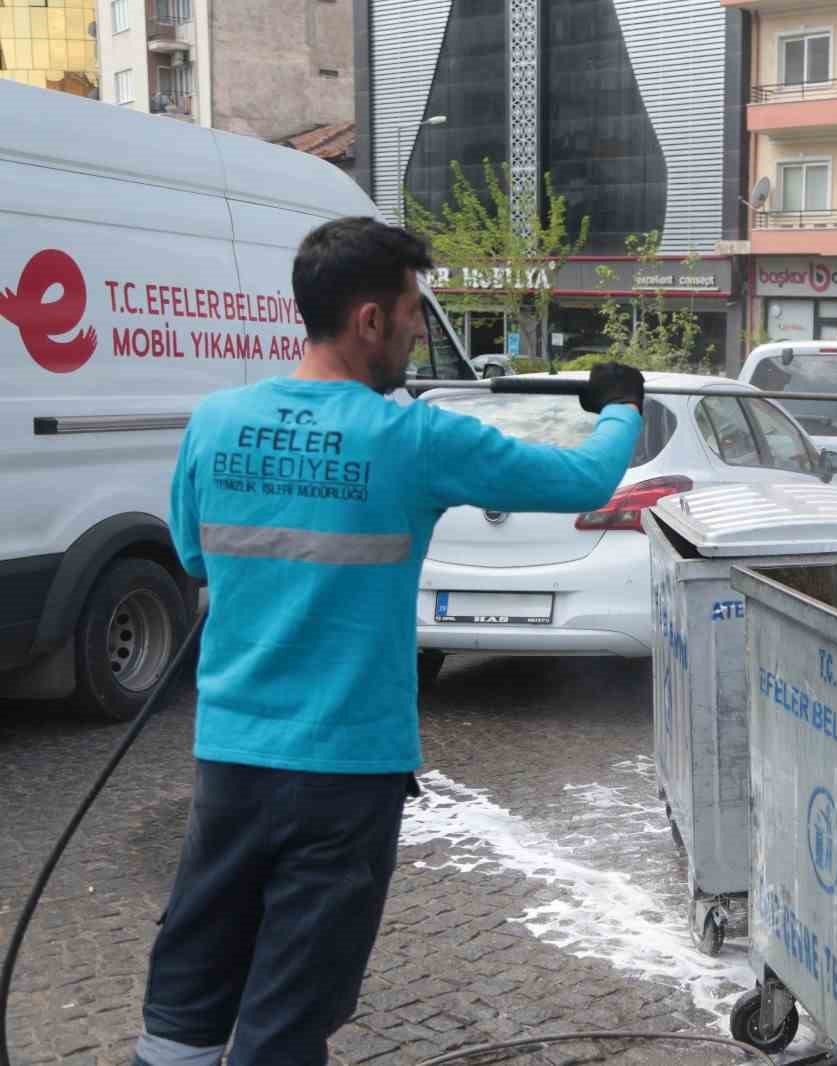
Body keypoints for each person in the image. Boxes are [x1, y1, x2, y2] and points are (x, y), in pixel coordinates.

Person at [132, 217, 645, 1066]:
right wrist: (621, 407)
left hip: (229, 762)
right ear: (369, 320)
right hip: (345, 777)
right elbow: (585, 479)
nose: (416, 331)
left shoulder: (215, 422)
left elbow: (192, 557)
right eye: (412, 312)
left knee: (188, 989)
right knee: (290, 1009)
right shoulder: (412, 438)